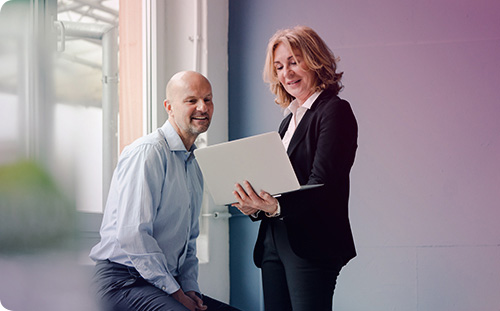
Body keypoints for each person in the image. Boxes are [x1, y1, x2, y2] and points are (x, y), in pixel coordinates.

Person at [90, 71, 239, 311]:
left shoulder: (194, 163)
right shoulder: (148, 152)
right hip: (122, 281)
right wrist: (176, 294)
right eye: (192, 100)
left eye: (208, 99)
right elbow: (132, 235)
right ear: (169, 107)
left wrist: (190, 288)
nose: (203, 107)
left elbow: (189, 241)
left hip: (163, 281)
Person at [232, 26, 358, 311]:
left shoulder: (334, 111)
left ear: (315, 61)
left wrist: (276, 207)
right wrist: (258, 205)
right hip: (274, 242)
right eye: (279, 66)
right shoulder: (288, 122)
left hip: (312, 243)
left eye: (294, 61)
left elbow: (322, 183)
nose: (286, 73)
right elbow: (282, 184)